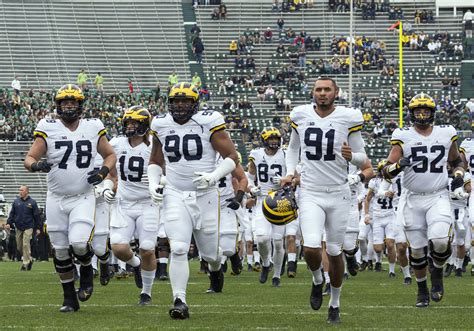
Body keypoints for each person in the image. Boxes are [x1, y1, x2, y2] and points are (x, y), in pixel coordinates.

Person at [281, 77, 371, 323]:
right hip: (310, 191)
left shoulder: (348, 117)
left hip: (339, 193)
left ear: (336, 93)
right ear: (313, 92)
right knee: (310, 247)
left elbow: (363, 158)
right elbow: (292, 149)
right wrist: (290, 172)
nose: (322, 94)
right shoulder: (300, 115)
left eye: (327, 89)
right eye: (318, 89)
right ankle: (317, 279)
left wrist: (351, 157)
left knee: (333, 251)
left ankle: (335, 302)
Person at [148, 83, 239, 319]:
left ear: (194, 102)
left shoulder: (208, 121)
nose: (179, 105)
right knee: (178, 247)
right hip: (175, 192)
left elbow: (232, 157)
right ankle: (180, 300)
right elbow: (156, 160)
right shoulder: (160, 123)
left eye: (185, 101)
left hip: (206, 195)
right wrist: (153, 184)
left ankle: (216, 269)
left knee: (209, 254)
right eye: (176, 101)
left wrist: (214, 175)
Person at [24, 84, 116, 312]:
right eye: (65, 102)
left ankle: (86, 272)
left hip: (83, 196)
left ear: (80, 105)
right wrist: (37, 165)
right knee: (62, 250)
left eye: (72, 102)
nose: (68, 105)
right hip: (56, 197)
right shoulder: (47, 126)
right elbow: (29, 157)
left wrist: (103, 172)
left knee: (79, 242)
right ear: (58, 105)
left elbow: (110, 154)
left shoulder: (93, 126)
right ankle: (69, 299)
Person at [382, 93, 466, 308]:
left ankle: (436, 272)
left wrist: (458, 175)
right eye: (417, 111)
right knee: (417, 250)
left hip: (438, 195)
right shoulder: (403, 135)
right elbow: (386, 171)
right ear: (411, 114)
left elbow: (457, 161)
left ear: (432, 113)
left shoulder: (446, 133)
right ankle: (421, 290)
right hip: (412, 198)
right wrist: (398, 166)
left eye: (425, 111)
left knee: (439, 240)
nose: (421, 114)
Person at [108, 106, 159, 306]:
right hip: (124, 202)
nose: (130, 126)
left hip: (148, 203)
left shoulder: (155, 144)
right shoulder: (117, 143)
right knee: (118, 248)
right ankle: (136, 264)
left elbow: (166, 169)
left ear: (144, 124)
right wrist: (107, 184)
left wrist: (161, 183)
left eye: (134, 122)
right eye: (128, 122)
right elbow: (107, 166)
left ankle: (146, 293)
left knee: (147, 248)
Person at [248, 127, 287, 287]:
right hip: (263, 199)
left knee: (278, 242)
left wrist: (285, 180)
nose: (274, 142)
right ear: (265, 140)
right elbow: (249, 177)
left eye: (276, 139)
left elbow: (297, 177)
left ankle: (277, 275)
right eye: (271, 139)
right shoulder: (256, 155)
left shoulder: (285, 154)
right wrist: (251, 188)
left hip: (280, 200)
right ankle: (265, 263)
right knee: (262, 239)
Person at [5, 186, 41, 270]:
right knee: (19, 247)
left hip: (29, 226)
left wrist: (39, 228)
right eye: (19, 190)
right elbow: (12, 214)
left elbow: (36, 216)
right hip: (18, 227)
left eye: (22, 190)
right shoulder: (16, 202)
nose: (20, 191)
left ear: (27, 192)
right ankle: (30, 259)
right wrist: (8, 223)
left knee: (26, 244)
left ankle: (25, 263)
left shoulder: (32, 202)